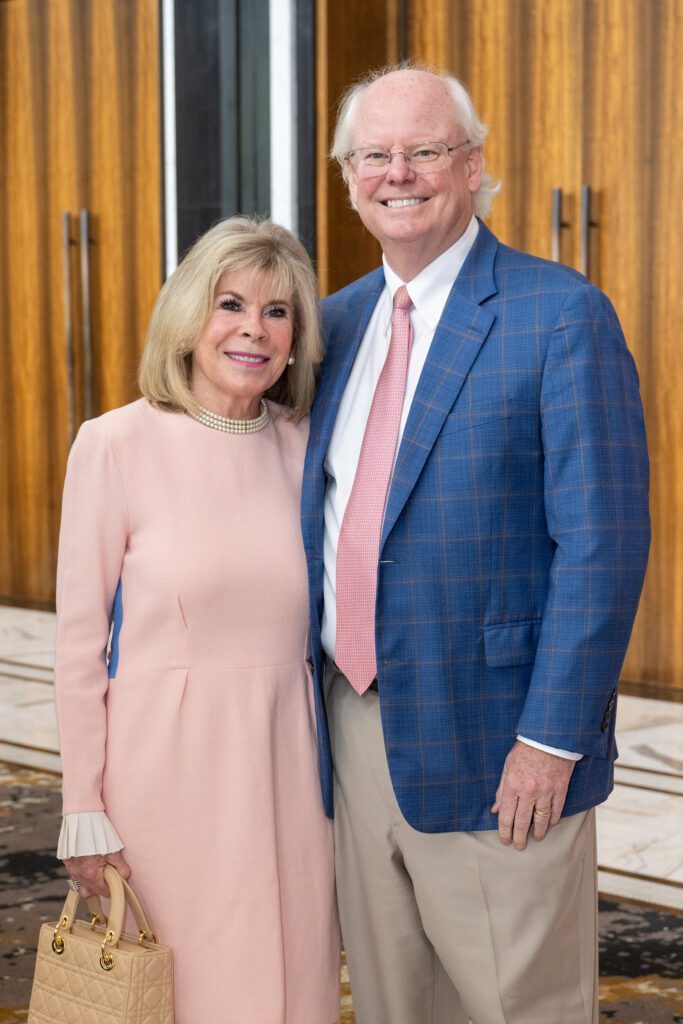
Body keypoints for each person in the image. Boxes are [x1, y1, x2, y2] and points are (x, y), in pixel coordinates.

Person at [301, 64, 650, 1024]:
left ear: (472, 165)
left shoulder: (559, 314)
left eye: (424, 150)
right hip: (353, 726)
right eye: (373, 154)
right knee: (393, 1004)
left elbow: (602, 546)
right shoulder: (335, 324)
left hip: (500, 743)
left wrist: (550, 740)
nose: (397, 173)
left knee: (519, 1006)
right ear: (347, 177)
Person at [54, 216, 340, 1024]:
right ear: (187, 319)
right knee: (187, 989)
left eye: (278, 312)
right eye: (230, 304)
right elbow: (78, 646)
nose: (254, 329)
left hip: (289, 764)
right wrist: (82, 806)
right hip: (164, 773)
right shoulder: (114, 443)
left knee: (293, 981)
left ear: (296, 339)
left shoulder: (307, 448)